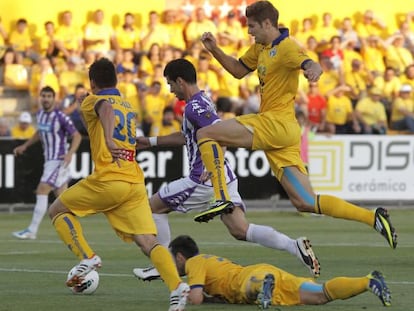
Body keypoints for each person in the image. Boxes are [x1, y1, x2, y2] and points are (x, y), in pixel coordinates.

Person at [194, 1, 397, 249]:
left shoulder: (288, 48)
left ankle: (222, 197)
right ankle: (372, 217)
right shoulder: (261, 47)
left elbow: (309, 63)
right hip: (284, 131)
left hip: (274, 123)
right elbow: (237, 70)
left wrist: (314, 70)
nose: (249, 31)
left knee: (206, 133)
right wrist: (215, 50)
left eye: (253, 26)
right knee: (305, 202)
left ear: (268, 23)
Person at [133, 59, 320, 282]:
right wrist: (150, 141)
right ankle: (293, 246)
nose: (171, 90)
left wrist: (213, 167)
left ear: (181, 81)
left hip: (203, 179)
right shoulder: (202, 100)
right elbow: (188, 136)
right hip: (223, 177)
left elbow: (219, 134)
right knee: (241, 229)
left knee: (153, 208)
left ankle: (163, 265)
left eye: (171, 84)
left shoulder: (194, 107)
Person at [46, 58, 189, 311]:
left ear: (92, 83)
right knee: (148, 242)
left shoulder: (94, 100)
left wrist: (110, 140)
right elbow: (111, 112)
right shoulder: (127, 105)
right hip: (133, 181)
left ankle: (87, 257)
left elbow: (104, 108)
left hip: (109, 179)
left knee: (57, 210)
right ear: (116, 80)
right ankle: (177, 287)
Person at [168, 235, 391, 308]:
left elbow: (195, 298)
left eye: (172, 260)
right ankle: (368, 281)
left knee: (248, 289)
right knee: (321, 295)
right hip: (263, 271)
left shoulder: (193, 263)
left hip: (249, 278)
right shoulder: (209, 260)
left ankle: (263, 285)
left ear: (180, 257)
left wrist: (183, 293)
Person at [12, 86, 82, 240]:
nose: (45, 98)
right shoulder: (41, 115)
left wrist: (70, 154)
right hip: (49, 160)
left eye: (49, 96)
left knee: (42, 190)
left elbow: (77, 136)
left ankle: (32, 230)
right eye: (43, 95)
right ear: (40, 98)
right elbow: (40, 132)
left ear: (54, 99)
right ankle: (75, 233)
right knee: (62, 200)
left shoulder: (61, 117)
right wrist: (25, 145)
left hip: (58, 160)